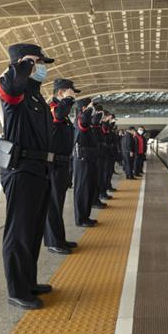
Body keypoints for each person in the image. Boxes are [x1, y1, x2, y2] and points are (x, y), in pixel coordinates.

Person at [0, 43, 56, 310]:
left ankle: (28, 281)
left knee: (32, 232)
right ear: (22, 63)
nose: (41, 67)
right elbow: (10, 88)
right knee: (19, 232)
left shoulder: (36, 96)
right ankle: (17, 290)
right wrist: (21, 66)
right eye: (36, 61)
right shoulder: (14, 89)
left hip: (38, 170)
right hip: (20, 170)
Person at [44, 79, 79, 255]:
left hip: (63, 163)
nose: (73, 97)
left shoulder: (63, 112)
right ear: (60, 93)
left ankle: (59, 238)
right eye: (71, 93)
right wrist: (68, 101)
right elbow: (56, 116)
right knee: (52, 204)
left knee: (59, 204)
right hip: (53, 164)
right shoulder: (52, 107)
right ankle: (52, 241)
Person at [72, 98, 98, 227]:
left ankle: (85, 216)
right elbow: (84, 121)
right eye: (90, 107)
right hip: (82, 159)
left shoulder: (87, 121)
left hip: (88, 159)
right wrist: (89, 109)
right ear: (83, 109)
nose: (93, 110)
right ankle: (80, 218)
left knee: (88, 188)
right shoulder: (80, 119)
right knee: (82, 189)